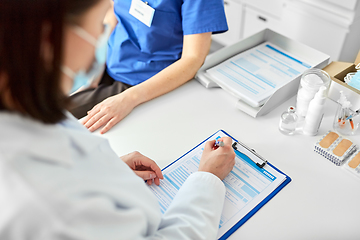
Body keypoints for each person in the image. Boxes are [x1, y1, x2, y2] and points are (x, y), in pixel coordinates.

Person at [0, 0, 236, 239]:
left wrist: (99, 171)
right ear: (54, 36)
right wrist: (208, 179)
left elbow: (193, 57)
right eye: (98, 25)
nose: (101, 39)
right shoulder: (53, 209)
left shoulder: (26, 118)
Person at [69, 0, 228, 134]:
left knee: (63, 117)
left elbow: (193, 58)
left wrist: (128, 99)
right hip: (109, 61)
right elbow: (113, 13)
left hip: (146, 82)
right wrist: (96, 64)